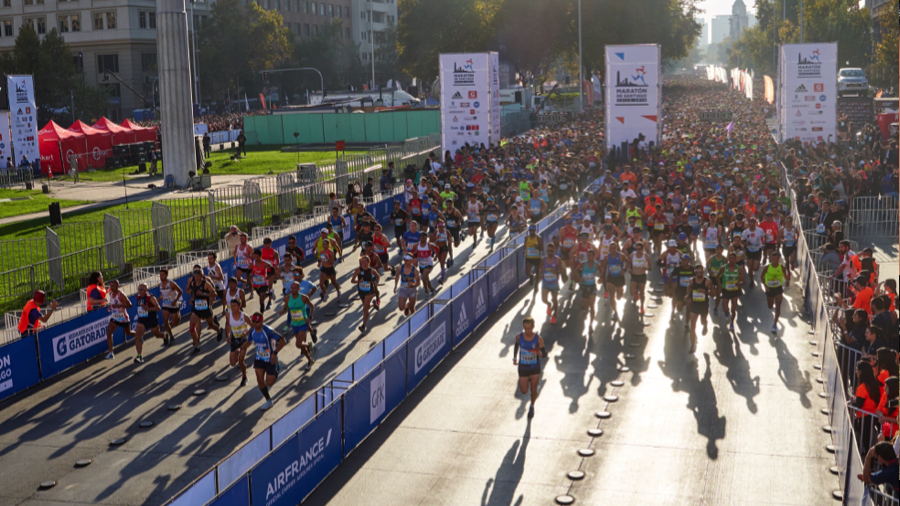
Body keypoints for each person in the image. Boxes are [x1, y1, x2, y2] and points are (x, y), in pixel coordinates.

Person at [239, 313, 286, 411]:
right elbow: (249, 342)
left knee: (269, 382)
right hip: (259, 358)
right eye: (254, 322)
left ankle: (277, 367)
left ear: (262, 321)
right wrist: (241, 348)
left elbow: (283, 341)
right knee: (260, 381)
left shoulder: (268, 330)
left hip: (270, 359)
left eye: (257, 322)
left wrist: (274, 354)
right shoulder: (252, 331)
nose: (255, 324)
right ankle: (269, 401)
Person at [512, 316, 546, 419]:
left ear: (533, 327)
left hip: (534, 367)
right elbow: (516, 345)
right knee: (523, 390)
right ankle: (528, 380)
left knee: (534, 389)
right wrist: (514, 357)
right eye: (525, 328)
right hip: (523, 367)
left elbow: (544, 353)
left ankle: (532, 406)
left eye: (529, 328)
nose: (527, 331)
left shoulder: (538, 339)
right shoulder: (519, 337)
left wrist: (541, 354)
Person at [280, 281, 316, 371]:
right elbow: (285, 308)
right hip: (294, 324)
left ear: (299, 289)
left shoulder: (304, 298)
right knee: (301, 346)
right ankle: (310, 360)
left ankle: (308, 345)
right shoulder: (288, 299)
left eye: (294, 288)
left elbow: (312, 306)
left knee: (298, 344)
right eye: (291, 288)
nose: (292, 289)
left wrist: (310, 317)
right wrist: (282, 311)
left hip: (303, 324)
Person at [187, 266, 222, 354]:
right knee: (191, 328)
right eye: (195, 276)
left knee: (211, 325)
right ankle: (197, 346)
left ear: (202, 276)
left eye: (198, 276)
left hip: (205, 308)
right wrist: (192, 299)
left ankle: (219, 330)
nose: (196, 278)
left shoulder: (206, 284)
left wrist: (204, 293)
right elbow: (193, 293)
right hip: (196, 308)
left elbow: (214, 294)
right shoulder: (193, 283)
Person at [133, 283, 165, 364]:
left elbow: (158, 308)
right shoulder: (138, 297)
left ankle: (165, 336)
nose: (140, 290)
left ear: (146, 290)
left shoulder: (151, 297)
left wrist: (148, 308)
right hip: (142, 320)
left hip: (151, 319)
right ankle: (139, 356)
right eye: (139, 288)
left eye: (142, 289)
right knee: (137, 336)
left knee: (157, 335)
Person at [104, 280, 134, 360]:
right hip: (114, 317)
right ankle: (111, 353)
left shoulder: (121, 295)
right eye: (110, 286)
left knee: (129, 333)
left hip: (123, 318)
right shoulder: (110, 294)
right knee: (109, 333)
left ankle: (138, 336)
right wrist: (110, 306)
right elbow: (112, 302)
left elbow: (130, 305)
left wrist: (118, 305)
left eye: (113, 286)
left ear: (118, 286)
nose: (111, 287)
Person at [760, 251, 790, 335]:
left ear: (779, 259)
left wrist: (787, 281)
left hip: (778, 289)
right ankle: (774, 314)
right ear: (771, 259)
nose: (775, 260)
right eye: (773, 259)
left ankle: (775, 324)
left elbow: (785, 275)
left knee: (778, 307)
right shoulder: (766, 267)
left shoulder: (782, 268)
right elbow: (762, 276)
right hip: (769, 289)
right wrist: (765, 286)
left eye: (776, 259)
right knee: (770, 306)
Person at [685, 264, 711, 354]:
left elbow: (714, 293)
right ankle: (692, 346)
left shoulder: (707, 282)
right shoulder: (692, 281)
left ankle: (705, 324)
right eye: (696, 272)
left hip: (703, 305)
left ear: (703, 272)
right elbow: (689, 289)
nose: (698, 274)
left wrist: (705, 292)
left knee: (702, 321)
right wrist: (688, 296)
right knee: (692, 325)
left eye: (700, 272)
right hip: (694, 305)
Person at [226, 298, 251, 387]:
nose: (232, 308)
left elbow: (253, 326)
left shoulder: (244, 316)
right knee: (232, 363)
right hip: (234, 339)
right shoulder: (228, 315)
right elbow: (228, 326)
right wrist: (228, 335)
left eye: (235, 306)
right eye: (231, 306)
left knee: (241, 362)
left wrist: (246, 332)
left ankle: (244, 377)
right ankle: (237, 351)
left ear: (239, 306)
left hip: (243, 340)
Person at [352, 256, 381, 333]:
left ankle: (363, 325)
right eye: (362, 261)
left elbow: (378, 276)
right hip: (361, 291)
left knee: (365, 308)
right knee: (367, 306)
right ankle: (374, 303)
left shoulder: (372, 271)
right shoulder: (358, 270)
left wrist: (376, 282)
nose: (363, 263)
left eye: (365, 262)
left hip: (370, 291)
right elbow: (352, 281)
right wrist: (359, 281)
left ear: (369, 263)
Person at [601, 241, 628, 322]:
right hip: (611, 278)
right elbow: (604, 267)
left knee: (619, 297)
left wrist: (624, 270)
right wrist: (602, 277)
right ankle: (615, 312)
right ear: (609, 249)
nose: (612, 250)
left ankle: (617, 301)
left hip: (619, 278)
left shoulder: (621, 256)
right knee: (612, 296)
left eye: (614, 248)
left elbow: (628, 262)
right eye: (611, 248)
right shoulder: (606, 257)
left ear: (616, 248)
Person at [720, 251, 745, 333]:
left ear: (736, 259)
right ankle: (726, 312)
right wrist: (719, 286)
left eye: (733, 258)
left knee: (733, 309)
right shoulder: (723, 268)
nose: (731, 260)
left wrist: (739, 283)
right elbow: (717, 277)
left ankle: (731, 323)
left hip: (735, 291)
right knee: (725, 308)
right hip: (726, 290)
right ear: (728, 259)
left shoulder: (739, 269)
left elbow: (743, 281)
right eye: (730, 258)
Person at [576, 249, 600, 327]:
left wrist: (602, 278)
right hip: (584, 286)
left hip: (592, 286)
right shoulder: (583, 264)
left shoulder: (596, 265)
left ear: (593, 256)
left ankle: (591, 324)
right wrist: (579, 278)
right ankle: (585, 308)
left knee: (592, 306)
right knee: (586, 307)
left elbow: (602, 271)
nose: (588, 257)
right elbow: (576, 270)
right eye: (587, 255)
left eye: (590, 255)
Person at [158, 268, 183, 344]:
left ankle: (178, 308)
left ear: (167, 275)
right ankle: (171, 336)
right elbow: (163, 293)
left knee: (175, 323)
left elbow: (180, 291)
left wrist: (175, 301)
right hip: (165, 305)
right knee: (165, 322)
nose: (161, 276)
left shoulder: (171, 284)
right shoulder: (160, 285)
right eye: (160, 275)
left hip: (173, 305)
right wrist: (159, 298)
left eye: (163, 275)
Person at [316, 231, 341, 302]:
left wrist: (328, 258)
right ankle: (325, 294)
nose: (324, 245)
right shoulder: (321, 252)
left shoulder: (331, 252)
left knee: (333, 282)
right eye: (323, 244)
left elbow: (332, 262)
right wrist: (319, 263)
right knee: (321, 284)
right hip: (324, 269)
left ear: (328, 245)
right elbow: (321, 259)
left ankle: (338, 291)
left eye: (325, 244)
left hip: (330, 269)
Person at [628, 241, 649, 314]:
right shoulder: (632, 255)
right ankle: (636, 292)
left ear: (643, 249)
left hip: (642, 276)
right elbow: (629, 264)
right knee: (632, 292)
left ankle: (642, 306)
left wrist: (646, 268)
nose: (638, 250)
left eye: (639, 249)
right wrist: (629, 269)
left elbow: (650, 267)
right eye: (637, 249)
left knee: (642, 293)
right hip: (634, 275)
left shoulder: (646, 256)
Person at [205, 253, 227, 319]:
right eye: (208, 259)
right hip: (212, 287)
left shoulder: (217, 266)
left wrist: (212, 277)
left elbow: (222, 277)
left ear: (215, 259)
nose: (209, 260)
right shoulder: (208, 266)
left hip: (219, 287)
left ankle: (224, 310)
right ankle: (211, 316)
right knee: (211, 301)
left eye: (211, 259)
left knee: (223, 299)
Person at [524, 225, 544, 293]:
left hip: (536, 258)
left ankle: (536, 285)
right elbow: (525, 245)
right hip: (529, 257)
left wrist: (537, 247)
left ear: (535, 230)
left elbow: (542, 248)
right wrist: (524, 251)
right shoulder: (526, 238)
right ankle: (531, 275)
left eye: (532, 231)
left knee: (538, 272)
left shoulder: (538, 238)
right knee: (527, 272)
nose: (531, 232)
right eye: (530, 231)